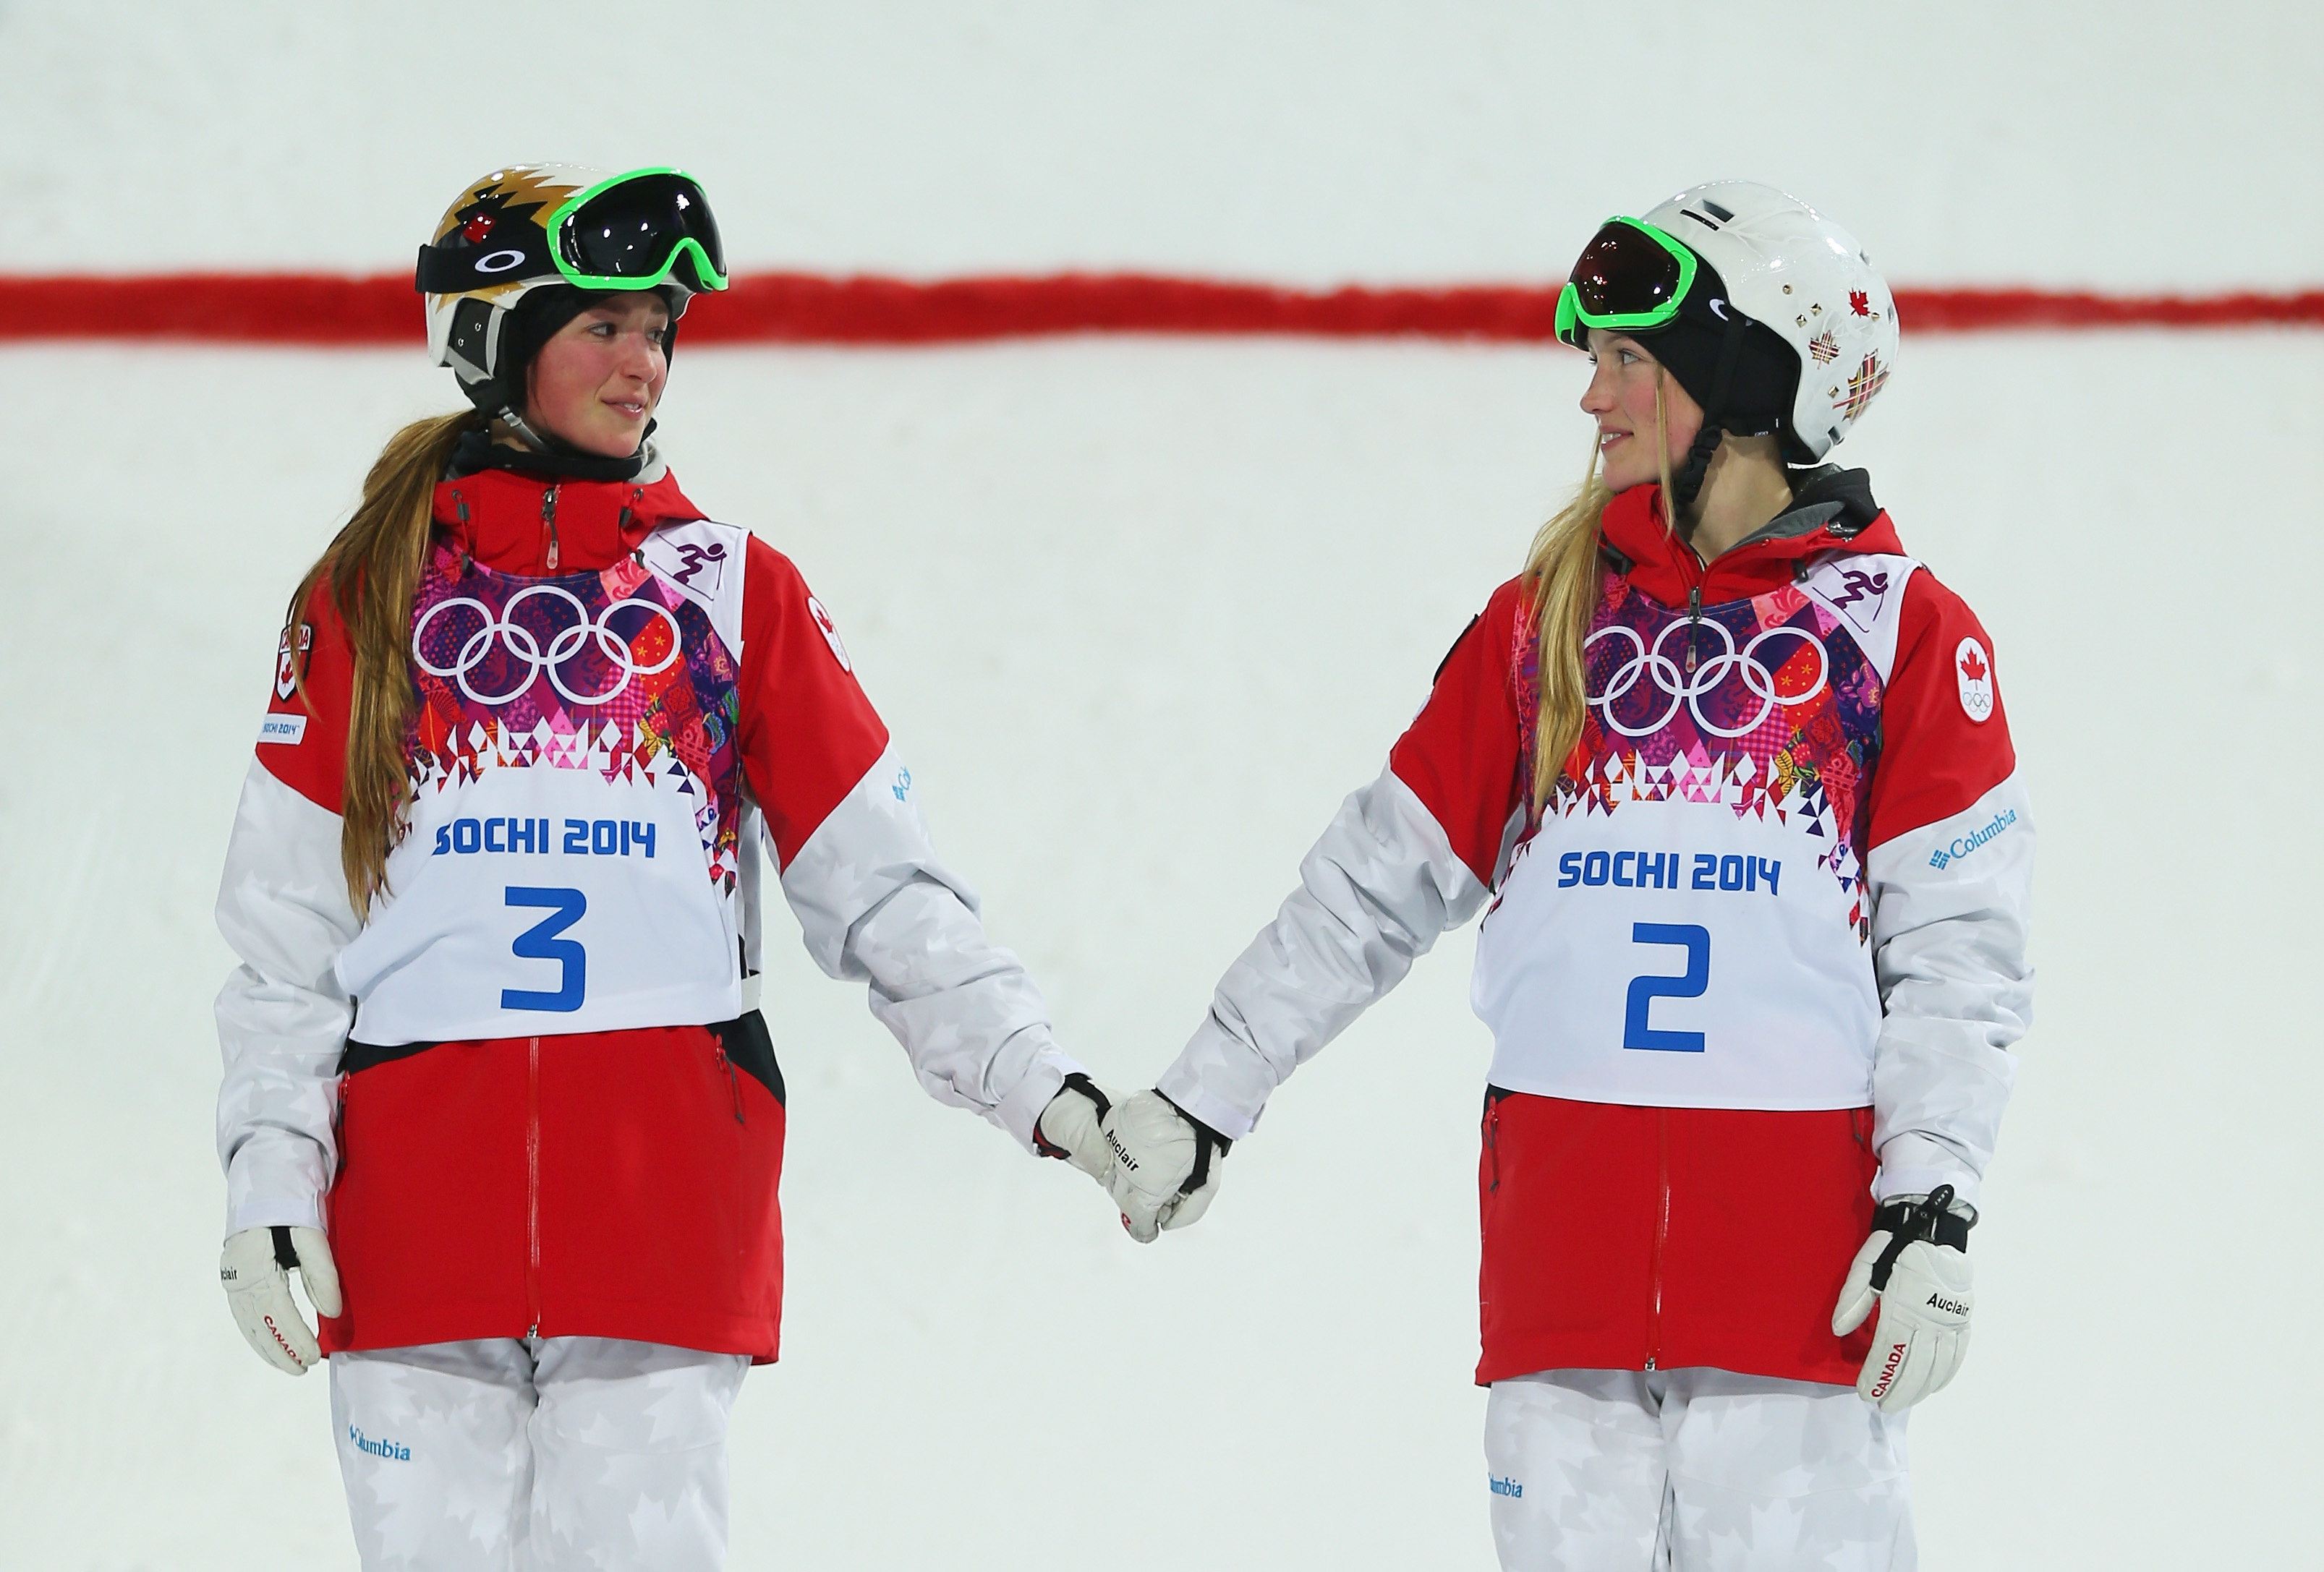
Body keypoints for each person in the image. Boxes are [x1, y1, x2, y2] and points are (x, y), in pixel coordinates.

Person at [1084, 181, 2035, 1568]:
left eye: (1626, 360)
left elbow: (1961, 954)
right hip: (1563, 1313)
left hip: (1797, 1315)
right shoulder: (1546, 626)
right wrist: (1203, 1097)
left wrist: (1928, 1206)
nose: (1591, 398)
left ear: (1746, 379)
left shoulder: (1900, 635)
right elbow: (1372, 884)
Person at [213, 163, 1122, 1571]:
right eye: (604, 326)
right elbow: (283, 942)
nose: (646, 361)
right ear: (496, 341)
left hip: (655, 1232)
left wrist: (1036, 1082)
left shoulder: (731, 591)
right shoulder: (366, 596)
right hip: (407, 1228)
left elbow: (881, 890)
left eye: (660, 329)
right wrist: (270, 1186)